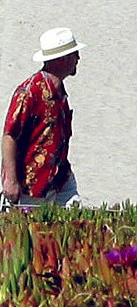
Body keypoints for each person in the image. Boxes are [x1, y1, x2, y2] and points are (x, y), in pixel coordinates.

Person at [2, 27, 86, 208]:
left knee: (74, 222)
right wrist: (10, 180)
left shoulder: (59, 90)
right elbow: (10, 135)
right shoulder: (29, 92)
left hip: (61, 178)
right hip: (32, 184)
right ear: (62, 59)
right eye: (74, 54)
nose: (78, 59)